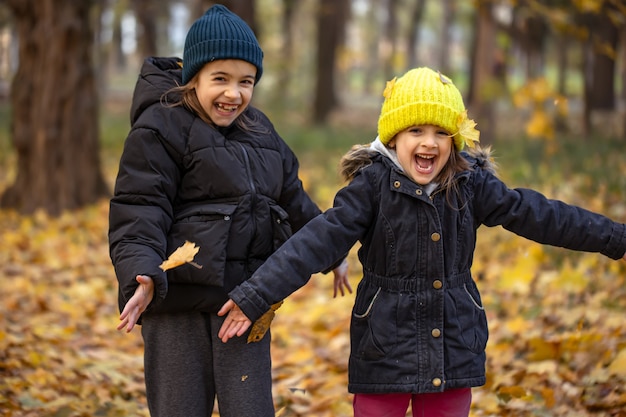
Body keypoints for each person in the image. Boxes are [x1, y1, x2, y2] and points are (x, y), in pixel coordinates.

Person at [217, 67, 626, 417]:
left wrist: (615, 238)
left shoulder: (469, 186)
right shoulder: (371, 188)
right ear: (394, 138)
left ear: (454, 140)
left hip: (453, 343)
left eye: (441, 133)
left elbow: (541, 215)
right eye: (416, 130)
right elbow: (314, 242)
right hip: (383, 349)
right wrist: (257, 295)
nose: (429, 142)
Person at [108, 5, 349, 417]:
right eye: (220, 79)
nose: (233, 93)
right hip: (177, 303)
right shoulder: (160, 128)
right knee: (179, 407)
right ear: (194, 77)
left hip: (241, 303)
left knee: (250, 407)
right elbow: (140, 207)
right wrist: (141, 273)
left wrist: (333, 251)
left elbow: (293, 200)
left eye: (246, 81)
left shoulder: (262, 132)